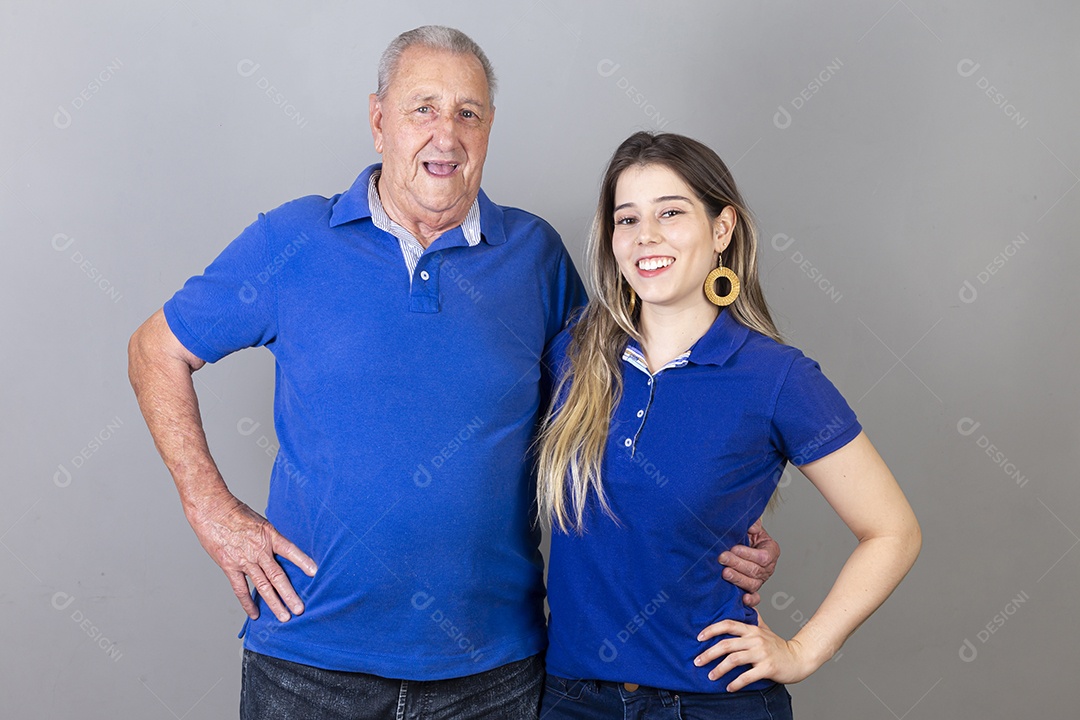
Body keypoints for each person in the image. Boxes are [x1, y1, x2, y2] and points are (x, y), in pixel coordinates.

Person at [127, 28, 779, 719]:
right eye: (423, 109)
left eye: (468, 113)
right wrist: (211, 510)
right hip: (308, 664)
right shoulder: (293, 241)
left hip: (492, 674)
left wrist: (712, 523)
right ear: (379, 120)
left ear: (489, 127)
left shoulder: (535, 256)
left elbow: (613, 415)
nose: (447, 135)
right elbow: (154, 350)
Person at [535, 131, 921, 719]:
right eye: (627, 219)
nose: (646, 236)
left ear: (722, 229)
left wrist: (803, 651)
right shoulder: (571, 355)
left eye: (671, 212)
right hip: (571, 700)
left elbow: (893, 532)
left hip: (711, 705)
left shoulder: (775, 376)